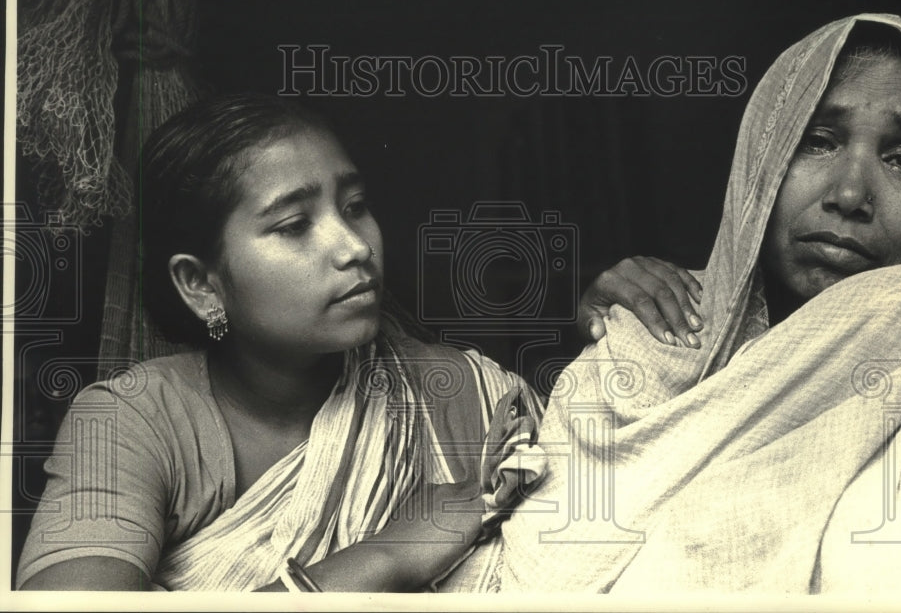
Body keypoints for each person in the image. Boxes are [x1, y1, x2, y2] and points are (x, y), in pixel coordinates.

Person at [440, 13, 901, 595]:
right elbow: (538, 573)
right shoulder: (649, 337)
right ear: (762, 160)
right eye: (818, 141)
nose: (850, 195)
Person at [15, 94, 553, 592]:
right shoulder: (132, 421)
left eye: (355, 205)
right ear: (201, 285)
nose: (355, 247)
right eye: (295, 225)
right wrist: (387, 557)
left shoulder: (468, 394)